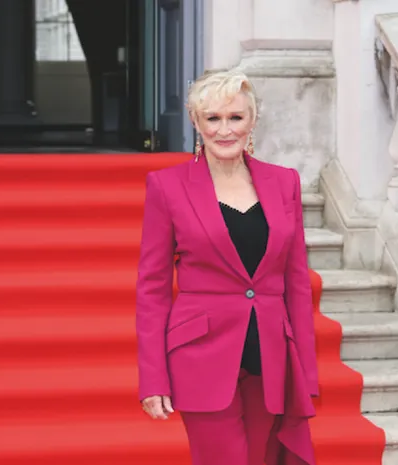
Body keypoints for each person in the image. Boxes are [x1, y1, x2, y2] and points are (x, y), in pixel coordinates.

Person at [136, 68, 318, 465]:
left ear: (252, 120)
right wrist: (153, 377)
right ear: (195, 121)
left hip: (270, 355)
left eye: (235, 117)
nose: (224, 130)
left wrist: (304, 369)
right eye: (213, 118)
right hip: (201, 355)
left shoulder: (284, 182)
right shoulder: (167, 186)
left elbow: (296, 282)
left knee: (260, 458)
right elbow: (152, 289)